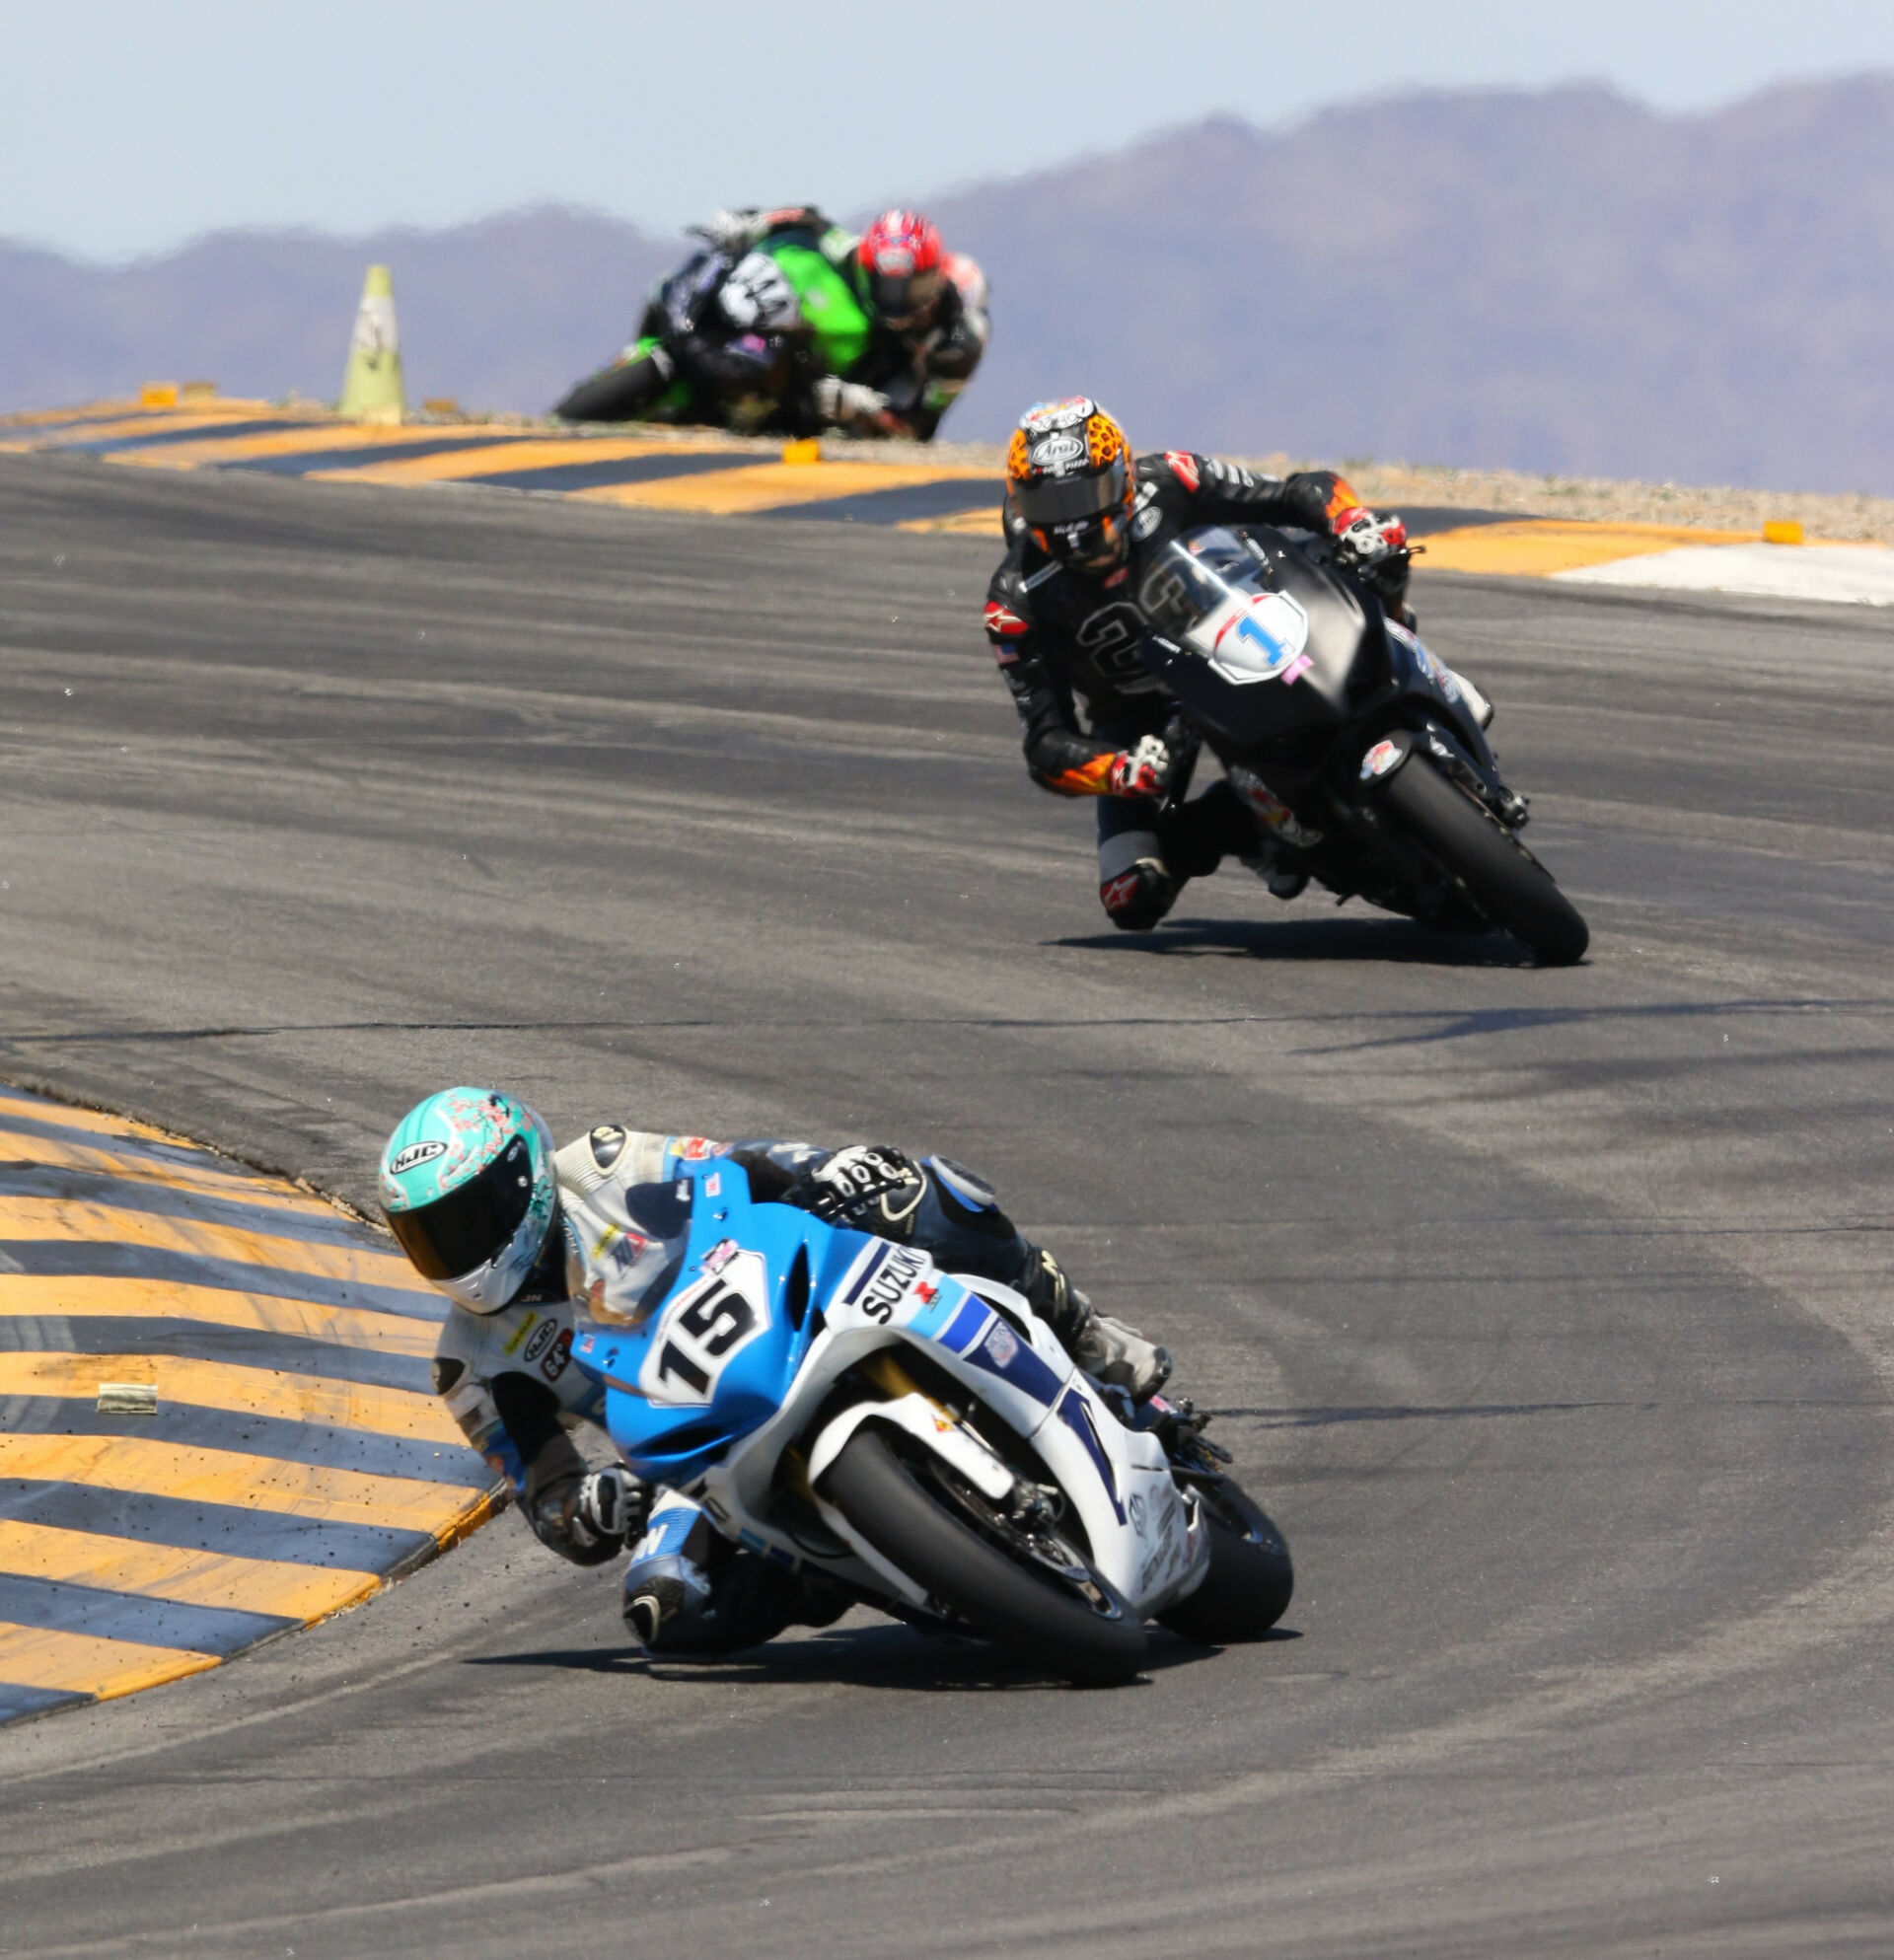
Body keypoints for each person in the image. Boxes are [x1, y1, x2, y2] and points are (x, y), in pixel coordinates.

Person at [379, 1088, 1168, 1655]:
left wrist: (828, 1172)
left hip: (776, 1308)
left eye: (464, 1220)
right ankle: (879, 1564)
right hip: (688, 1458)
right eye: (428, 1236)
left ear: (523, 1179)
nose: (451, 1251)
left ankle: (1083, 1328)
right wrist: (587, 1506)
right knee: (666, 1604)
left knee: (922, 1195)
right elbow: (543, 1491)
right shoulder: (471, 1364)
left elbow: (734, 1170)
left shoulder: (602, 1164)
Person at [983, 397, 1443, 932]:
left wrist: (1350, 521)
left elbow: (1295, 492)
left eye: (1086, 494)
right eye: (1052, 506)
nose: (1073, 523)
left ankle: (1405, 658)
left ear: (1123, 476)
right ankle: (1248, 827)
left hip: (1236, 626)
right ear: (1021, 506)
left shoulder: (1171, 478)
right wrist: (1119, 769)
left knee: (1372, 553)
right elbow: (1044, 745)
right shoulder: (1014, 606)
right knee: (1131, 897)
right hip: (1143, 720)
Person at [554, 205, 986, 441]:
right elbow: (807, 218)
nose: (897, 302)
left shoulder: (949, 336)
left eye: (908, 289)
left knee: (814, 429)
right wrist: (752, 223)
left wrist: (864, 406)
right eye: (887, 285)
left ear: (933, 278)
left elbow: (919, 427)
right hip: (794, 348)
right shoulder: (844, 251)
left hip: (846, 397)